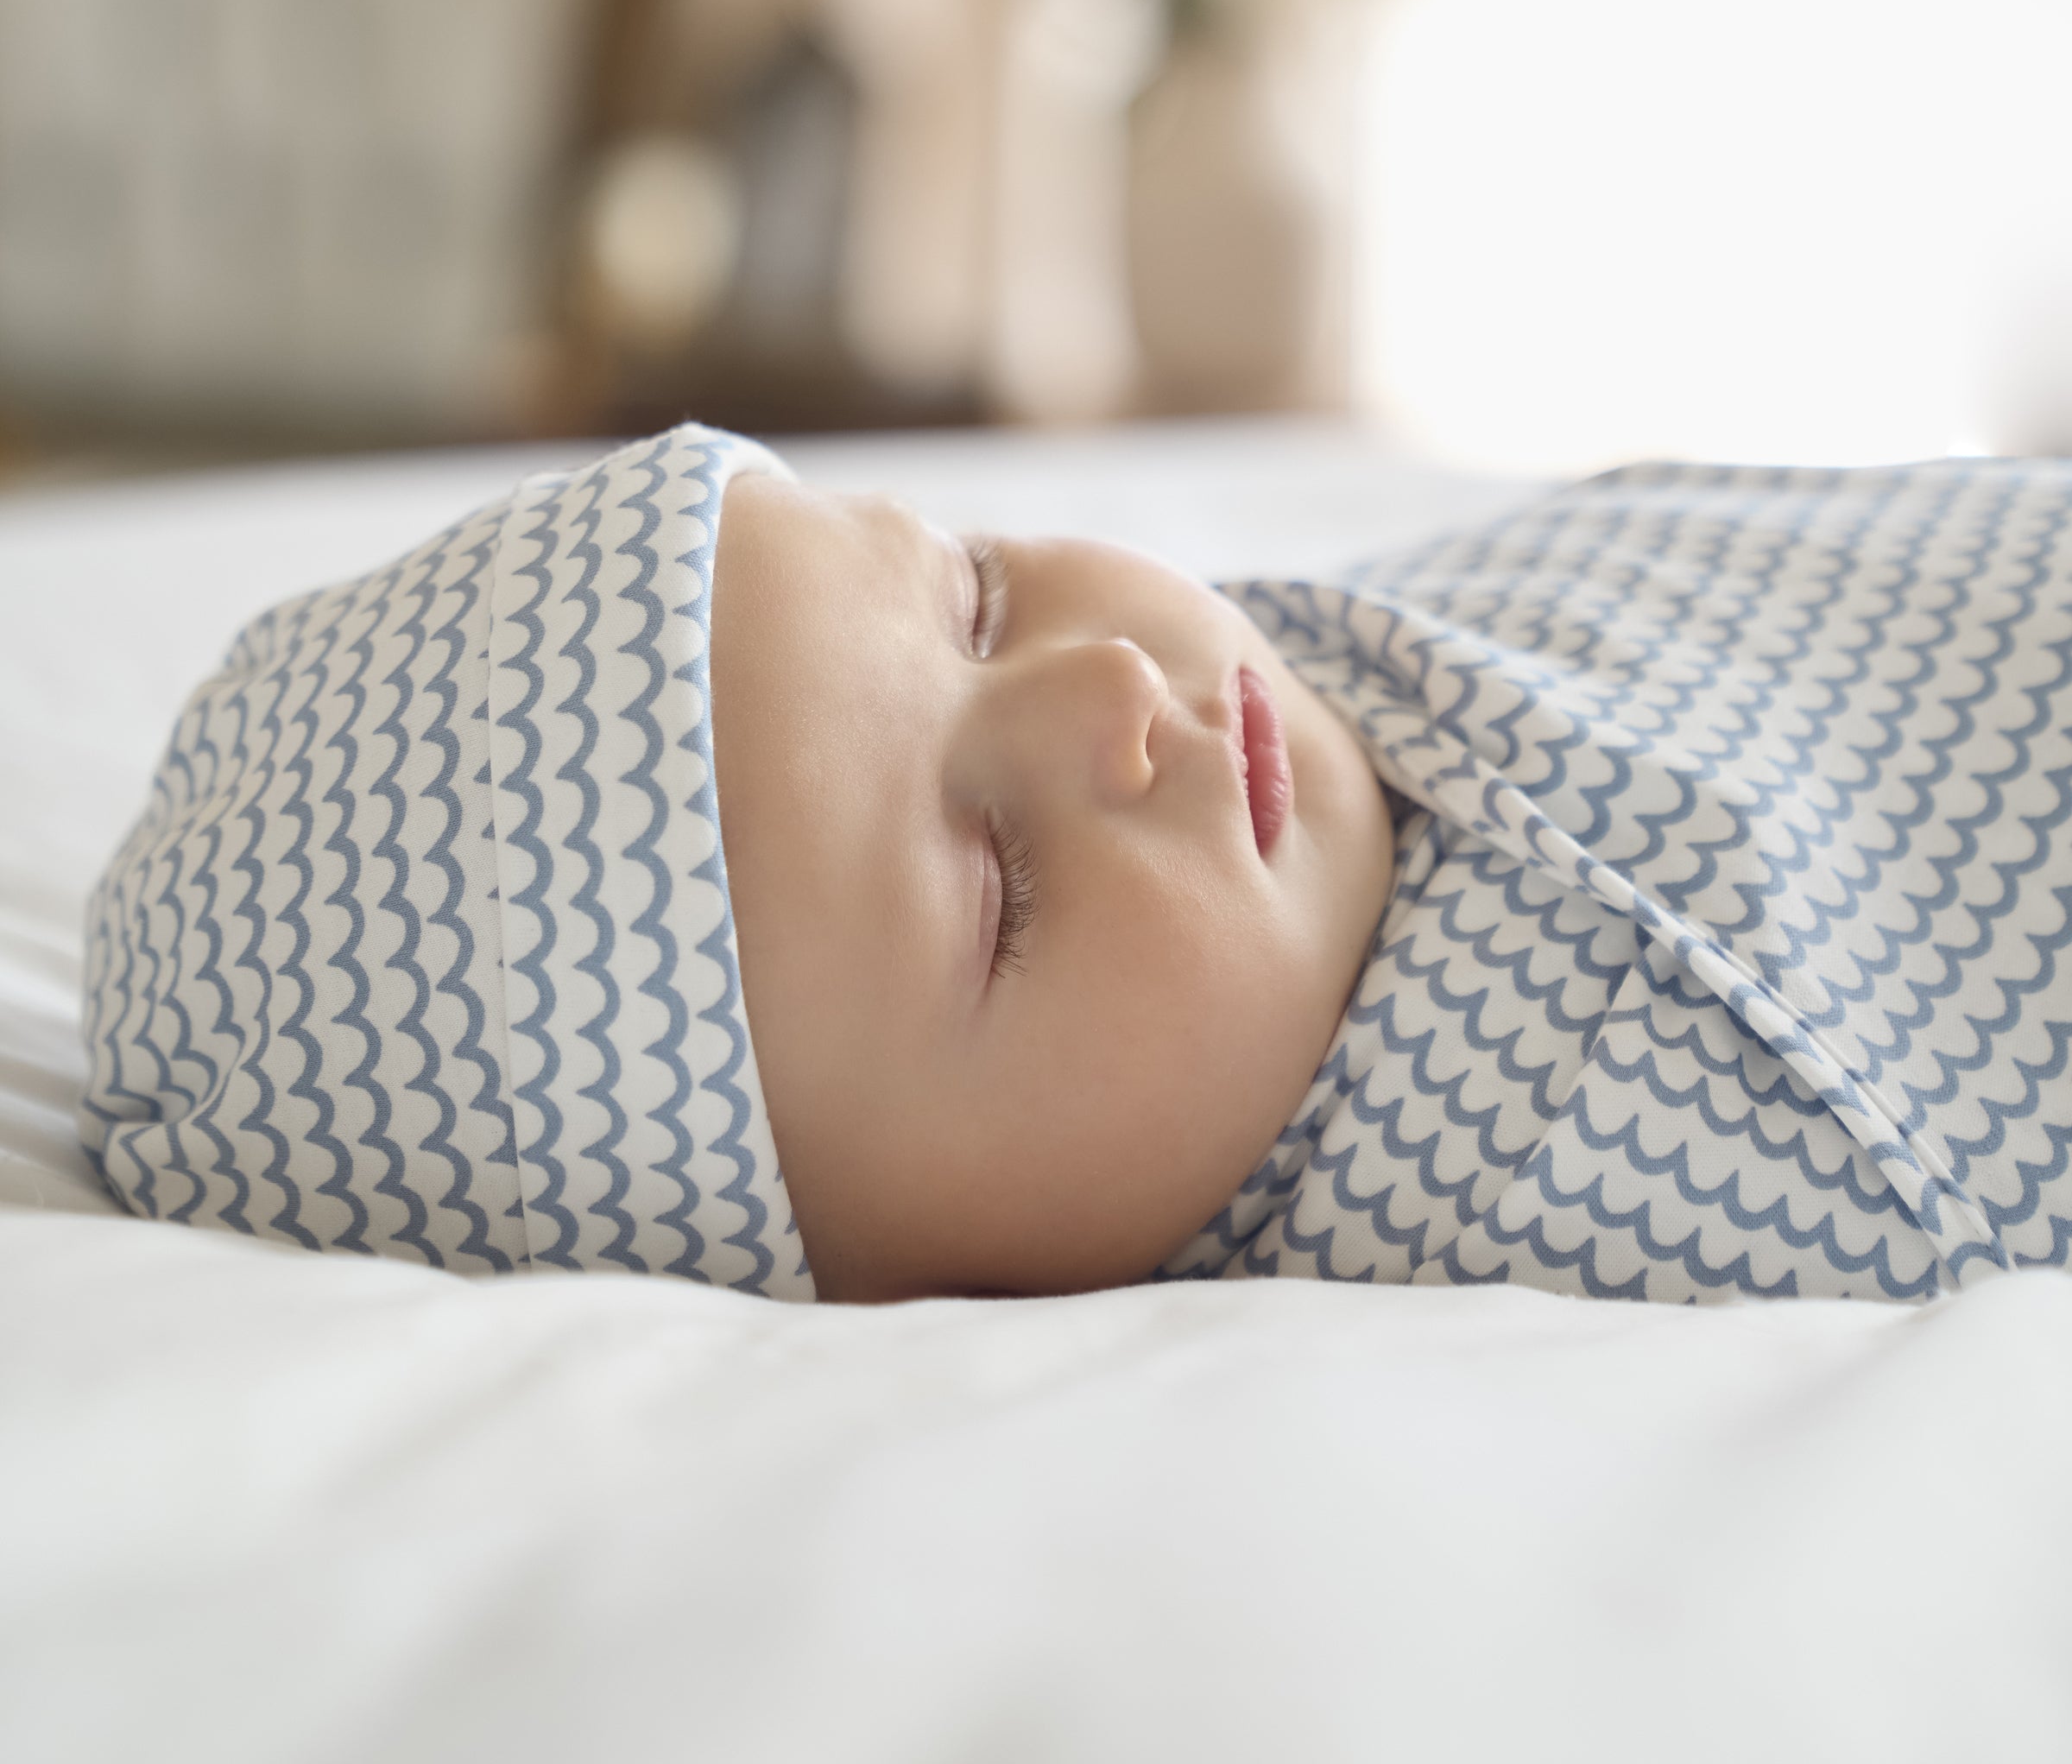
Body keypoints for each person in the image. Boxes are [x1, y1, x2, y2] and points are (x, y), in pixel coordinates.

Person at [81, 420, 2072, 1305]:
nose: (1110, 687)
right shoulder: (1592, 1142)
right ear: (883, 1291)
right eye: (997, 896)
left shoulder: (1294, 696)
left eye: (974, 592)